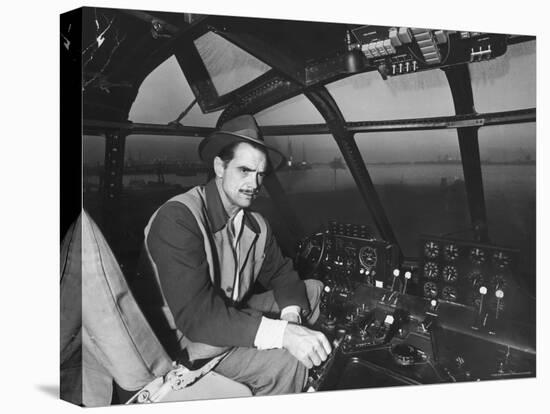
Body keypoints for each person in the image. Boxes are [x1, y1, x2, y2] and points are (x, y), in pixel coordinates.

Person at [143, 114, 332, 396]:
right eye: (244, 170)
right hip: (187, 341)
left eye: (260, 174)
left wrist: (291, 318)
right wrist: (283, 336)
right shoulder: (179, 218)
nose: (254, 184)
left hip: (230, 312)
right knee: (285, 361)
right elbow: (198, 318)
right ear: (220, 167)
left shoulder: (256, 225)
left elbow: (282, 274)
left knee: (313, 290)